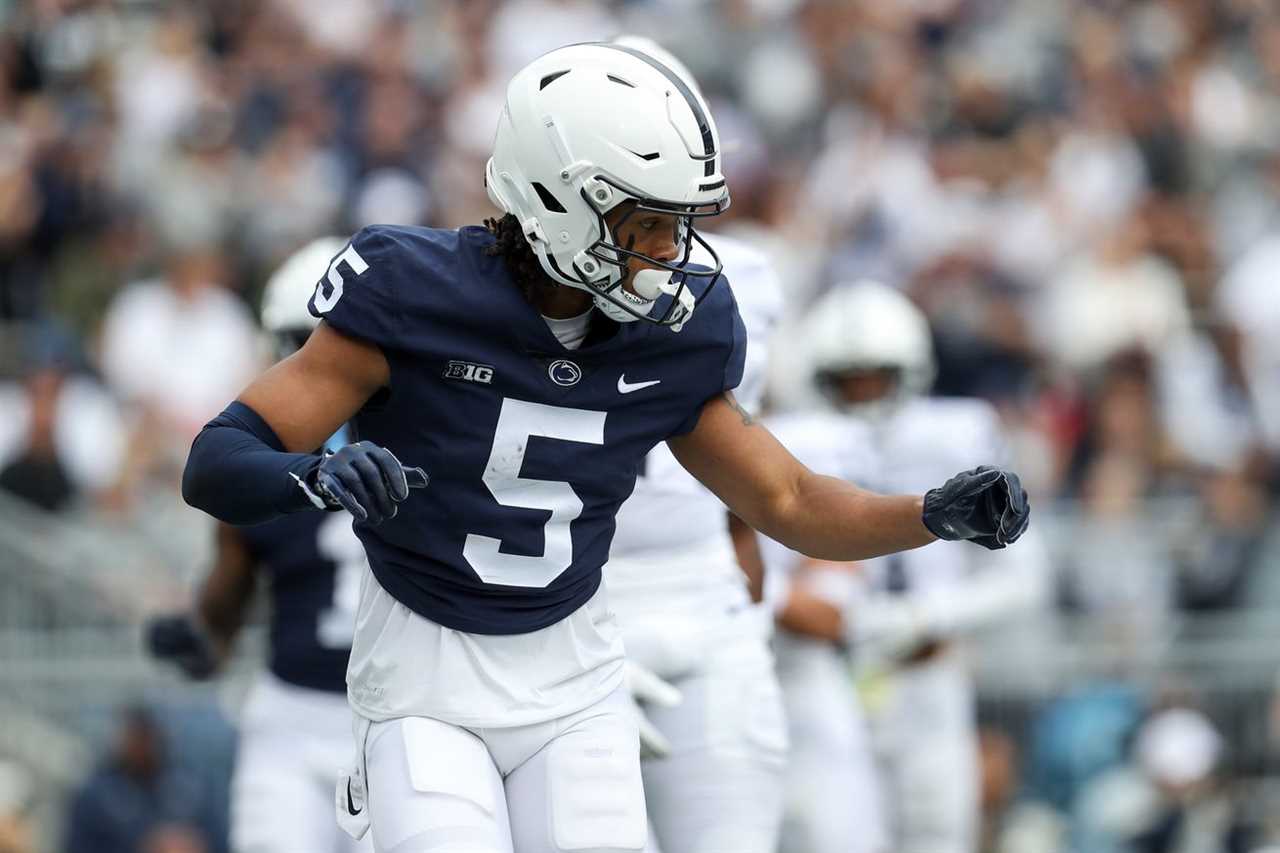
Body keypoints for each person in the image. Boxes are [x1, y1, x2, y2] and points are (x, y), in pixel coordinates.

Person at [182, 43, 1031, 853]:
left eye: (677, 226)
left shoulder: (672, 338)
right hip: (423, 671)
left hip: (573, 667)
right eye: (649, 224)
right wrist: (313, 472)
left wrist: (930, 513)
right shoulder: (413, 293)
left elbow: (789, 500)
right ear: (557, 198)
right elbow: (219, 457)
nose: (671, 253)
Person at [775, 280, 1050, 853]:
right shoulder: (792, 444)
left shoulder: (959, 434)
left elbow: (1025, 576)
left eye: (878, 377)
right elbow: (765, 567)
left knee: (938, 835)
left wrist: (924, 615)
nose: (864, 396)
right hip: (825, 677)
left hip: (927, 676)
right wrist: (822, 612)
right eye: (848, 381)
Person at [148, 237, 373, 853]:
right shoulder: (254, 476)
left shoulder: (435, 451)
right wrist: (197, 639)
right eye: (308, 346)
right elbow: (225, 611)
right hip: (295, 719)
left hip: (401, 720)